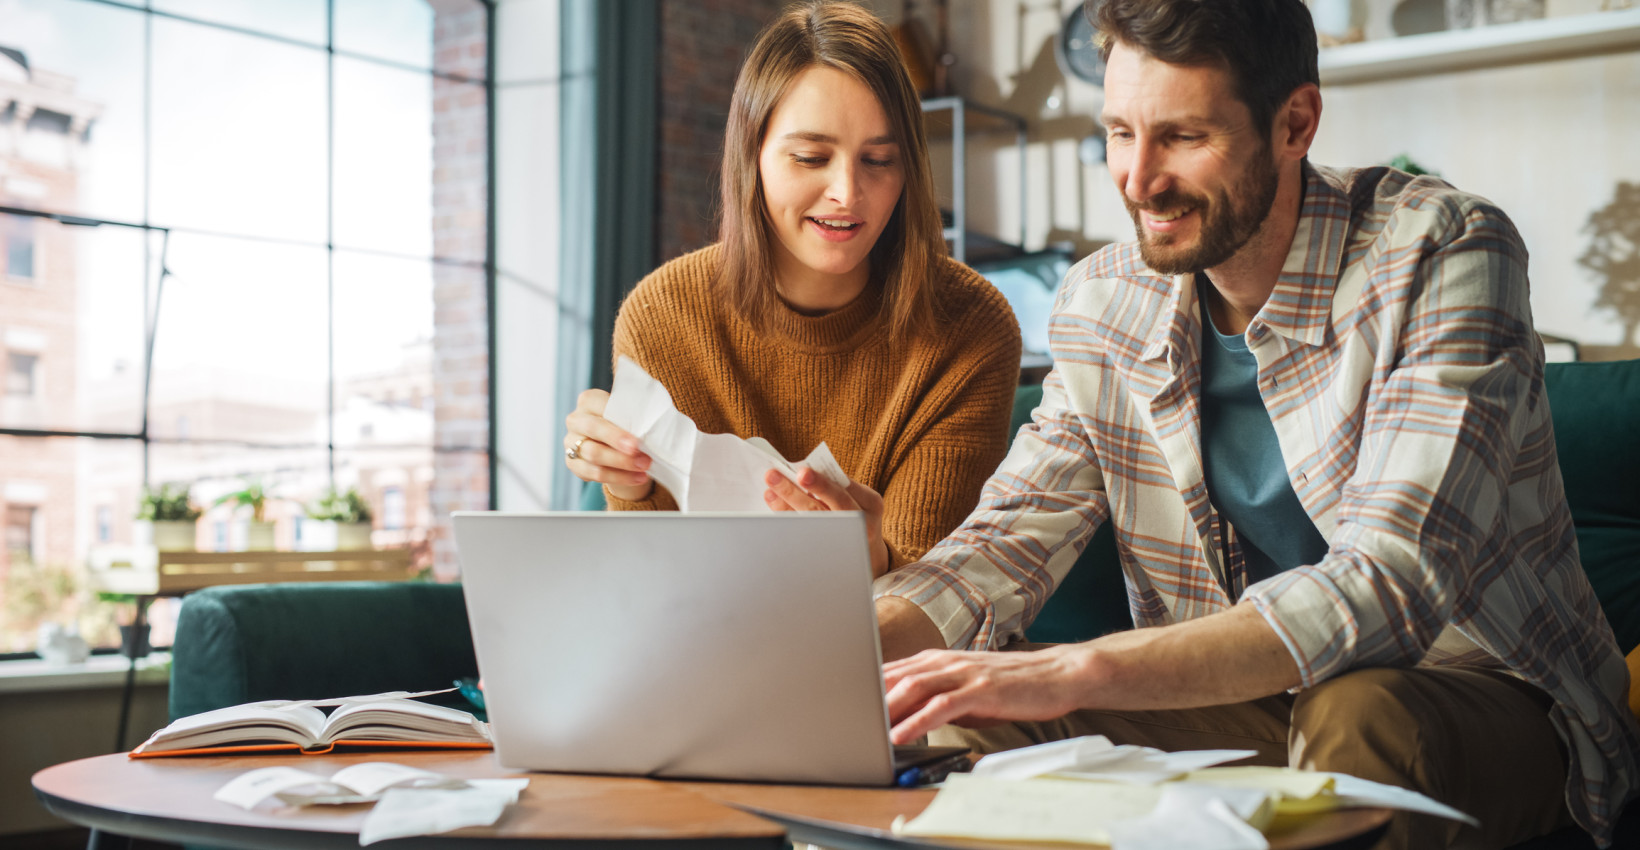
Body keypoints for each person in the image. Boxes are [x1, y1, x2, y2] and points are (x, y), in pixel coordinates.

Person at [871, 0, 1639, 847]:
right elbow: (1001, 546)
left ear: (1295, 124)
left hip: (1475, 693)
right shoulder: (1102, 301)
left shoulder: (1443, 250)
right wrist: (833, 646)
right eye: (1120, 133)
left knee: (1358, 715)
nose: (1138, 179)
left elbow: (1389, 582)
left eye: (1183, 137)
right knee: (956, 714)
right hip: (1240, 704)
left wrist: (1078, 665)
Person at [561, 0, 1021, 578]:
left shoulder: (969, 324)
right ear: (751, 156)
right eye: (810, 157)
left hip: (904, 655)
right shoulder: (665, 314)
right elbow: (655, 581)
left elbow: (943, 598)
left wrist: (867, 557)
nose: (848, 192)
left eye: (879, 160)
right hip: (713, 646)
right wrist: (622, 477)